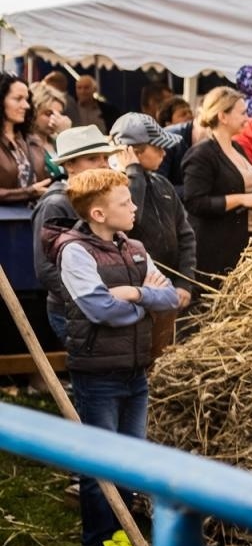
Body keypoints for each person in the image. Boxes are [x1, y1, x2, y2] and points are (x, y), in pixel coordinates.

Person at [46, 168, 182, 546]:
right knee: (100, 462)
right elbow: (98, 309)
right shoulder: (75, 252)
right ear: (100, 214)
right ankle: (97, 544)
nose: (134, 206)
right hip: (99, 370)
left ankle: (122, 535)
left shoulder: (134, 247)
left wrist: (135, 293)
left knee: (128, 459)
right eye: (125, 203)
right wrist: (144, 302)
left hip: (135, 368)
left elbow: (170, 295)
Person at [109, 113, 196, 359]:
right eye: (157, 147)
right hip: (133, 294)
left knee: (161, 360)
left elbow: (186, 235)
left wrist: (184, 281)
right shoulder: (113, 186)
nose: (164, 153)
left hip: (168, 291)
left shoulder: (162, 183)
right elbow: (126, 223)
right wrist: (133, 172)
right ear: (132, 151)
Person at [32, 126, 116, 344]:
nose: (103, 164)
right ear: (69, 164)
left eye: (105, 157)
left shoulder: (99, 199)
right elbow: (45, 269)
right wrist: (92, 294)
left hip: (104, 304)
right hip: (71, 310)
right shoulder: (55, 204)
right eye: (92, 158)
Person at [183, 87, 252, 291]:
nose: (247, 118)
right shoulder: (201, 154)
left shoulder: (237, 148)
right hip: (215, 246)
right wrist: (240, 199)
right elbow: (195, 202)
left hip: (244, 239)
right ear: (223, 116)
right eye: (242, 113)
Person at [0, 73, 52, 205]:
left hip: (33, 219)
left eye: (27, 99)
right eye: (18, 99)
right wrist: (28, 192)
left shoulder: (30, 140)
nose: (26, 105)